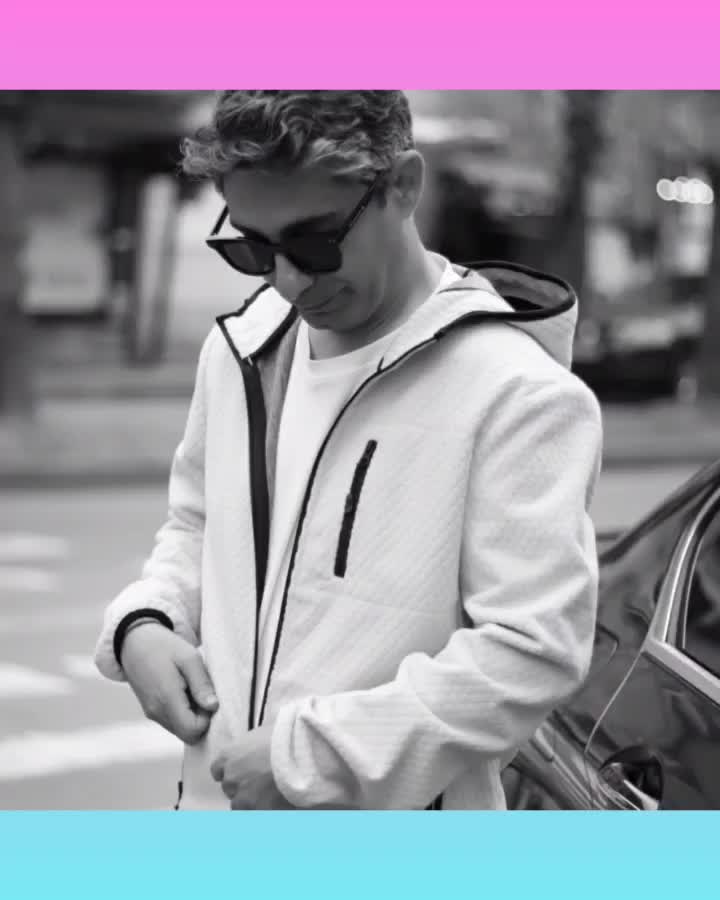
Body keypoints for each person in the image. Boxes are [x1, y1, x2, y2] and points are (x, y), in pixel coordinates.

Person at [94, 90, 603, 811]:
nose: (288, 280)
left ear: (403, 186)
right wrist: (148, 621)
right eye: (254, 248)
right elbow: (197, 526)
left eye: (314, 242)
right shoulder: (243, 348)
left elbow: (531, 651)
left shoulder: (519, 394)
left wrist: (312, 758)